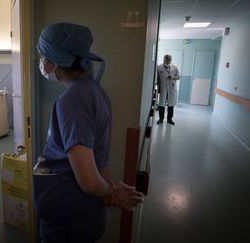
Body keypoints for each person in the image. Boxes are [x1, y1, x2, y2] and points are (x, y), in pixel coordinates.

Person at [33, 23, 144, 243]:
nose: (42, 62)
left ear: (56, 60)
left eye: (43, 56)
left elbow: (89, 182)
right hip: (80, 215)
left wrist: (111, 192)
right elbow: (99, 158)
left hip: (68, 220)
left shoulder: (73, 101)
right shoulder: (94, 91)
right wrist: (110, 187)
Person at [156, 54, 180, 125]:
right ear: (164, 59)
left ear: (171, 60)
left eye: (169, 60)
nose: (168, 61)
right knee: (161, 104)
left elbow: (178, 76)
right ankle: (161, 118)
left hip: (171, 87)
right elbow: (157, 77)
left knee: (171, 103)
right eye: (167, 59)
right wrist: (158, 86)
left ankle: (169, 119)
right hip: (163, 87)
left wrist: (173, 77)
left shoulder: (175, 67)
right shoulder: (159, 67)